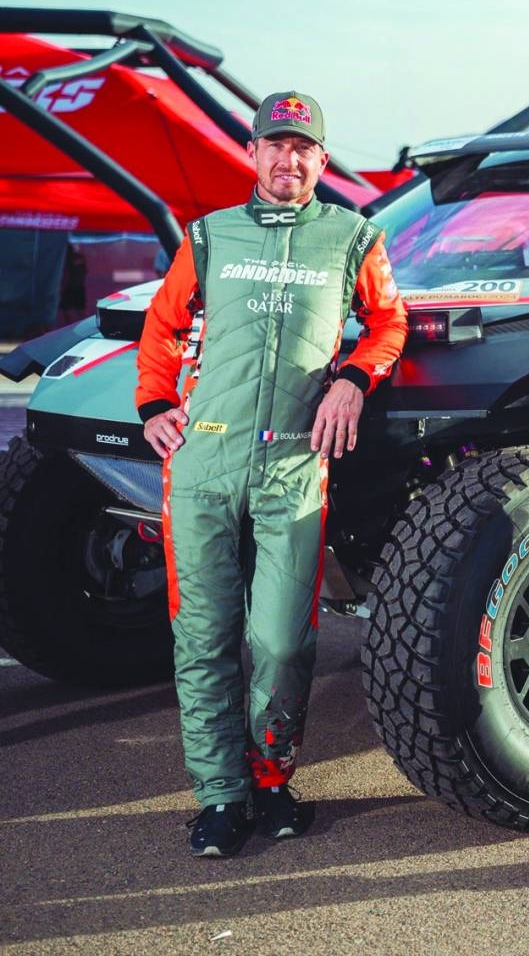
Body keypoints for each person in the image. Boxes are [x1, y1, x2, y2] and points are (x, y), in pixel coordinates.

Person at [136, 91, 408, 858]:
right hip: (203, 461)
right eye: (274, 147)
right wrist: (155, 402)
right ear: (252, 154)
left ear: (320, 161)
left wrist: (355, 377)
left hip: (294, 460)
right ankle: (220, 797)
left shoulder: (353, 236)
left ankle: (270, 779)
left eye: (303, 150)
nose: (288, 161)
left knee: (283, 640)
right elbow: (163, 324)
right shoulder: (210, 236)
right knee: (204, 637)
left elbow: (389, 321)